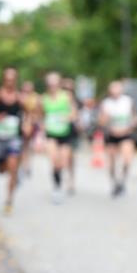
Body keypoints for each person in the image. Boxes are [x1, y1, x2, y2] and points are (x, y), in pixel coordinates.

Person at [0, 67, 27, 214]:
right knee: (2, 170)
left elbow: (30, 114)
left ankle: (9, 201)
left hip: (15, 138)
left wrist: (27, 124)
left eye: (13, 79)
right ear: (3, 80)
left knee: (13, 165)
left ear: (16, 80)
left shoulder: (20, 98)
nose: (10, 82)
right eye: (7, 79)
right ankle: (14, 174)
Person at [41, 72, 79, 203]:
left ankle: (62, 180)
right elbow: (39, 117)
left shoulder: (66, 96)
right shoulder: (43, 99)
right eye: (50, 83)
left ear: (59, 84)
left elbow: (74, 113)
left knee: (62, 162)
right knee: (54, 161)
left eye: (55, 83)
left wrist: (67, 117)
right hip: (51, 134)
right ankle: (56, 188)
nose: (52, 86)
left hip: (65, 134)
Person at [98, 80, 137, 197]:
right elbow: (101, 122)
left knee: (127, 159)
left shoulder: (128, 101)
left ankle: (122, 180)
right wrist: (105, 119)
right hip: (112, 135)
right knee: (112, 162)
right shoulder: (106, 103)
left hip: (126, 134)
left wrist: (133, 123)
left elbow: (135, 117)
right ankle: (114, 182)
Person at [19, 80, 40, 179]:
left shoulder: (36, 98)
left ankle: (27, 165)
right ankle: (23, 165)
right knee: (23, 146)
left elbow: (38, 112)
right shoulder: (19, 97)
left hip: (32, 124)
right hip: (21, 123)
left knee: (28, 146)